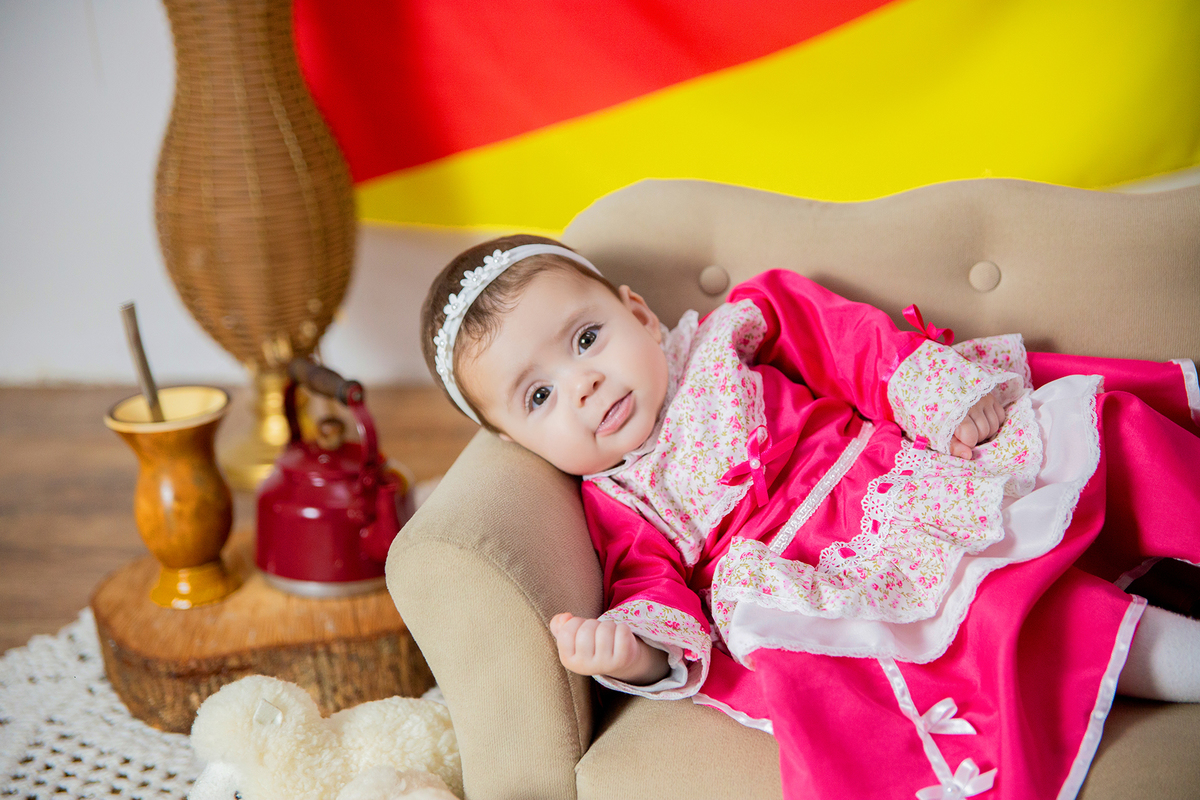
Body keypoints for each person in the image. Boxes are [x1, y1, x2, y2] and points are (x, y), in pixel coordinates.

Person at [420, 233, 1200, 799]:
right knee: (1009, 618)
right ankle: (1168, 658)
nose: (584, 383)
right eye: (540, 395)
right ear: (514, 441)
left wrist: (937, 405)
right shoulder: (619, 502)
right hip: (817, 585)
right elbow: (650, 583)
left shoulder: (738, 330)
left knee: (1108, 440)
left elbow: (848, 344)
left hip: (893, 479)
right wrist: (634, 653)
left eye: (587, 339)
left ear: (639, 314)